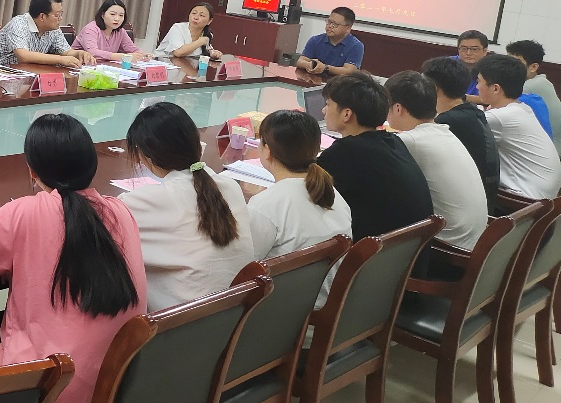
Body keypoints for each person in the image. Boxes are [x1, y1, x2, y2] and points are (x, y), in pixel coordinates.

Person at [0, 114, 146, 403]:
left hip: (51, 399)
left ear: (32, 171)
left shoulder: (27, 212)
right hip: (110, 396)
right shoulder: (120, 211)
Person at [122, 102, 253, 311]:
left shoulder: (145, 202)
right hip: (233, 320)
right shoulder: (230, 187)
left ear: (146, 156)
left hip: (181, 326)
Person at [315, 72, 434, 251]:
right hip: (407, 256)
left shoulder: (345, 152)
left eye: (328, 104)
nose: (324, 111)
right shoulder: (394, 142)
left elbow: (304, 191)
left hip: (371, 258)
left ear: (347, 114)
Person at [249, 110, 352, 306]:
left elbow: (244, 267)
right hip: (322, 304)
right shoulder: (332, 194)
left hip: (278, 311)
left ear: (267, 150)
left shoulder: (265, 205)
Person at [384, 71, 487, 251]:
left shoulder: (411, 141)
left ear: (398, 108)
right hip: (477, 239)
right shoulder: (444, 131)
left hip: (449, 246)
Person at [476, 53, 561, 201]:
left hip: (525, 200)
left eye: (479, 81)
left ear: (496, 89)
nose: (477, 86)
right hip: (547, 198)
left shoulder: (501, 117)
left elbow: (458, 129)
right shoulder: (522, 108)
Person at [422, 57, 502, 212]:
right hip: (485, 200)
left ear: (434, 88)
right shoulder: (472, 111)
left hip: (467, 207)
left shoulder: (447, 122)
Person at [0, 0, 96, 68]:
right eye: (57, 15)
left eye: (61, 14)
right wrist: (60, 59)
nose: (61, 18)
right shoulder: (19, 24)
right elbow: (23, 56)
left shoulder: (53, 29)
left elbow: (66, 52)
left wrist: (80, 53)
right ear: (42, 16)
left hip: (25, 73)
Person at [506, 39, 561, 157]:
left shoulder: (533, 85)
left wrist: (465, 97)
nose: (509, 67)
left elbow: (496, 99)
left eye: (516, 62)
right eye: (507, 61)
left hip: (552, 151)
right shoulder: (537, 81)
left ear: (533, 67)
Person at [70, 0, 145, 63]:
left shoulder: (120, 31)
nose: (117, 19)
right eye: (112, 14)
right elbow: (93, 53)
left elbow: (131, 48)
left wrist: (142, 55)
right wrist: (122, 56)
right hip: (79, 66)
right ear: (103, 15)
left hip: (103, 67)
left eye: (121, 15)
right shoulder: (91, 29)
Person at [296, 7, 365, 77]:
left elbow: (349, 71)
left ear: (348, 28)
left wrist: (325, 68)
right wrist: (308, 64)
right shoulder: (315, 40)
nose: (330, 26)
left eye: (335, 24)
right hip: (315, 79)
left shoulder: (356, 46)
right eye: (329, 22)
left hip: (339, 82)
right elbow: (300, 61)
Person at [154, 2, 223, 60]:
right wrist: (200, 42)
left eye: (201, 15)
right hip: (162, 63)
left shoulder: (207, 34)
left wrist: (212, 53)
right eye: (194, 13)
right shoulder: (178, 28)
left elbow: (207, 49)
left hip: (185, 66)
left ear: (209, 21)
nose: (196, 17)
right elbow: (178, 53)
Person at [452, 30, 490, 103]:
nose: (468, 53)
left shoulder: (492, 69)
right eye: (464, 49)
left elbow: (493, 99)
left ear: (484, 51)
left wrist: (463, 98)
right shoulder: (446, 64)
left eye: (474, 49)